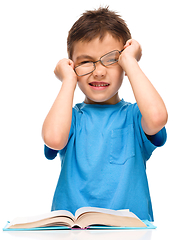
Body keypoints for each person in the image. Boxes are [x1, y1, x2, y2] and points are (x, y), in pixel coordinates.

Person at [42, 7, 168, 221]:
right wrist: (68, 81)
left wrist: (130, 61)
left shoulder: (136, 116)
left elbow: (157, 118)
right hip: (72, 232)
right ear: (72, 67)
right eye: (85, 62)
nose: (99, 71)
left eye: (111, 59)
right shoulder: (69, 118)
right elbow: (54, 139)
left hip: (130, 232)